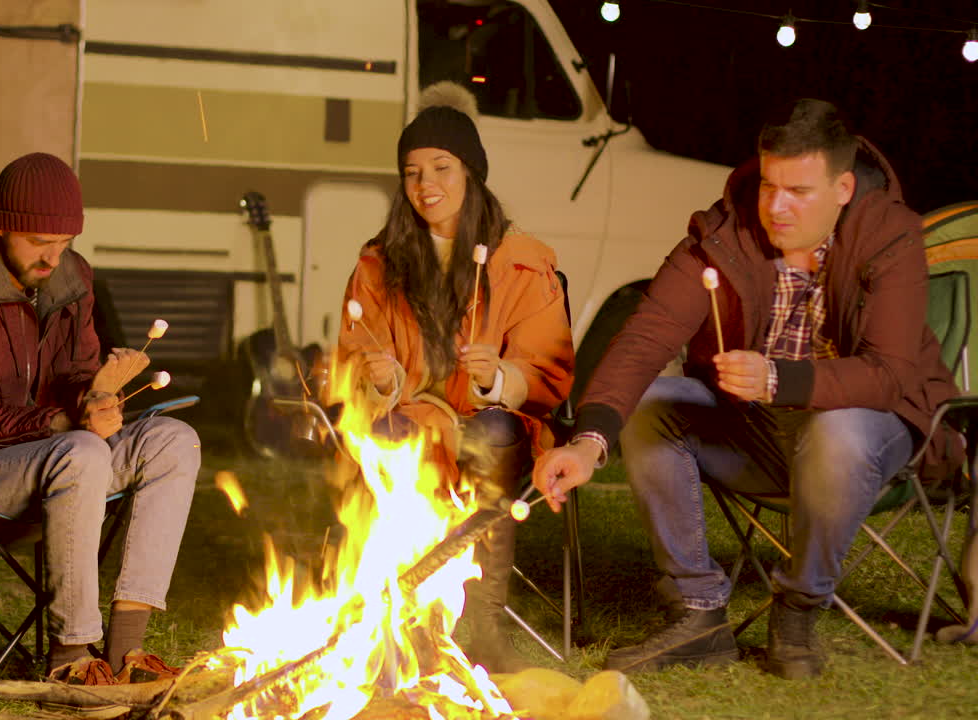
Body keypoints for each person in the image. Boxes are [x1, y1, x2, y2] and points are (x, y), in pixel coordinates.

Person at [534, 99, 961, 679]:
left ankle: (798, 608)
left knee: (840, 430)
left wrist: (779, 378)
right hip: (760, 434)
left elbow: (890, 374)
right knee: (655, 406)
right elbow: (646, 335)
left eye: (798, 191)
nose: (777, 207)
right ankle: (697, 612)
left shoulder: (889, 234)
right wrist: (589, 441)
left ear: (842, 188)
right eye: (768, 185)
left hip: (869, 438)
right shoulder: (726, 232)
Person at [0, 152, 200, 676]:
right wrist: (62, 423)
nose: (54, 259)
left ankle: (125, 654)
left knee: (173, 439)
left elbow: (72, 378)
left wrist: (94, 395)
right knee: (81, 451)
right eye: (39, 243)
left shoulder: (71, 277)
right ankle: (72, 659)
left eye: (65, 242)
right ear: (1, 226)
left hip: (56, 468)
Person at [337, 82, 574, 674]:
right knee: (387, 434)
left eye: (441, 167)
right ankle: (404, 619)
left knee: (489, 434)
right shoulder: (379, 263)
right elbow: (353, 357)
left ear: (471, 172)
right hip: (414, 422)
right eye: (412, 172)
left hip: (498, 427)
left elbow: (549, 370)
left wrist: (498, 378)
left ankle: (483, 623)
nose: (426, 185)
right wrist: (383, 379)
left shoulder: (522, 260)